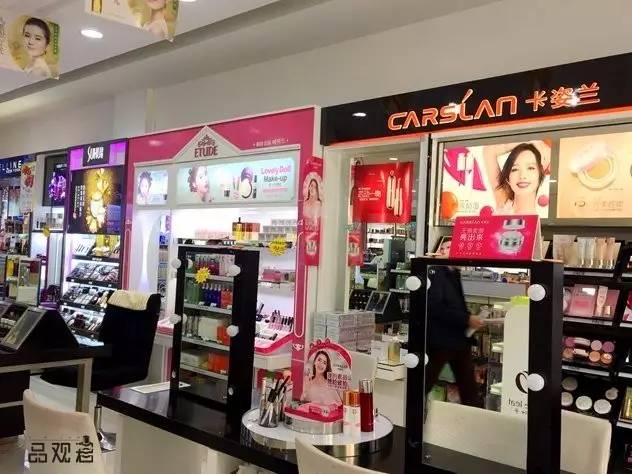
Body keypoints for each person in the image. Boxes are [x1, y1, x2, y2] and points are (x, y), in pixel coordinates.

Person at [425, 266, 483, 406]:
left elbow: (452, 305)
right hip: (441, 341)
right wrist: (467, 319)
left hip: (457, 340)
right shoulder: (437, 273)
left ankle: (474, 416)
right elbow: (435, 308)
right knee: (426, 381)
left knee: (469, 387)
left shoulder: (453, 273)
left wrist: (468, 320)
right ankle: (412, 412)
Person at [483, 142, 548, 215]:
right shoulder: (504, 204)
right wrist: (532, 142)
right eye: (515, 169)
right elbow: (489, 151)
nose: (522, 176)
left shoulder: (543, 218)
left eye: (530, 168)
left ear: (540, 173)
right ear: (508, 178)